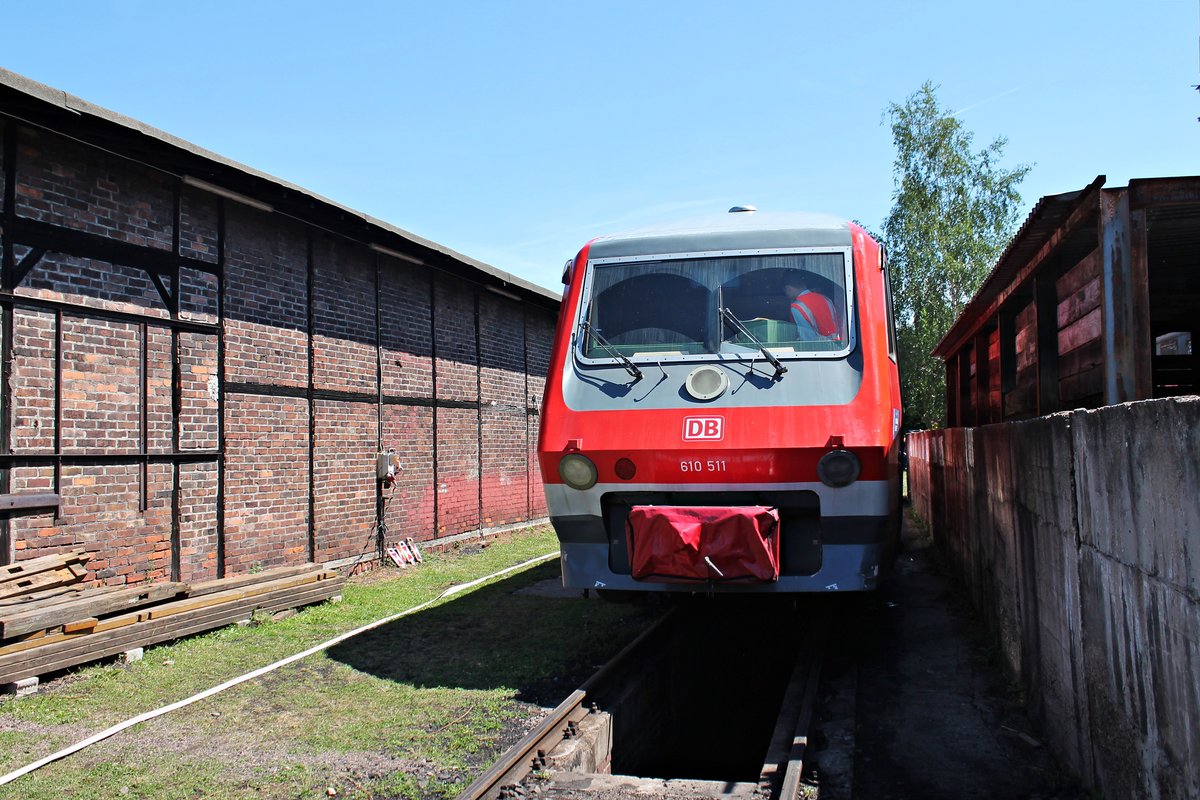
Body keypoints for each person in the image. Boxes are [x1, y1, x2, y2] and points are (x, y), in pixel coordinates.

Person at [784, 275, 840, 340]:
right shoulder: (826, 299)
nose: (786, 295)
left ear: (789, 289)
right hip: (837, 343)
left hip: (819, 345)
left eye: (785, 291)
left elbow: (807, 338)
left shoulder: (797, 307)